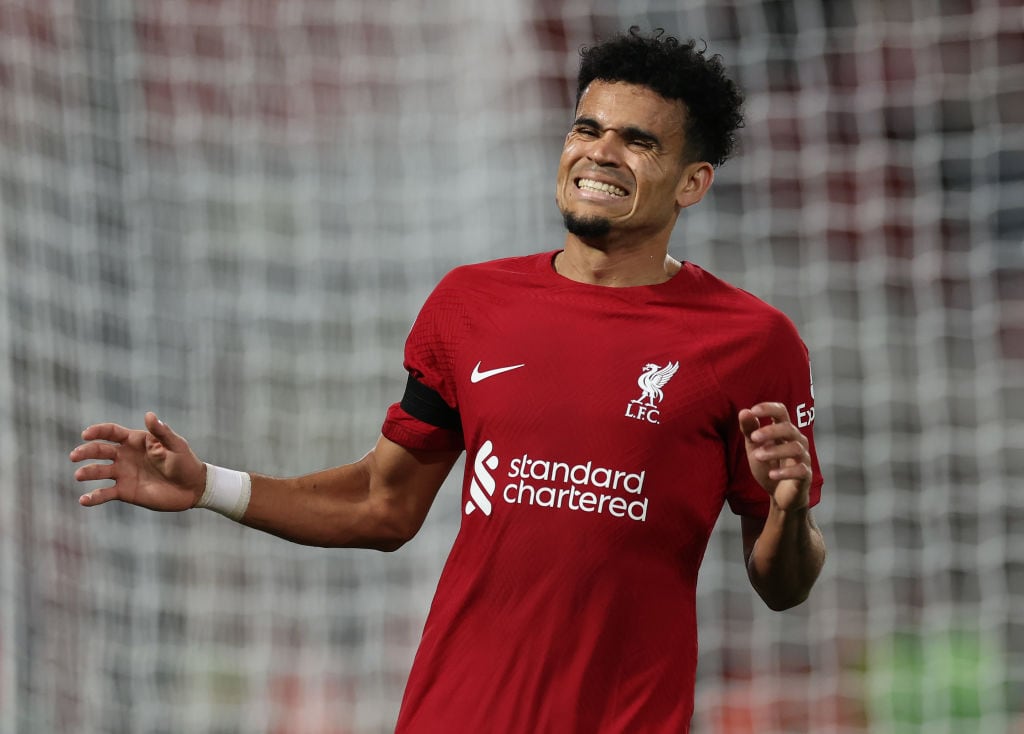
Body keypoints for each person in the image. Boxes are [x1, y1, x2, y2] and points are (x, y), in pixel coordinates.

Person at [71, 28, 825, 733]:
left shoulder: (752, 341)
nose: (600, 154)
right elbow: (383, 503)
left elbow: (784, 582)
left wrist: (787, 510)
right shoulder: (470, 305)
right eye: (587, 128)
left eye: (638, 141)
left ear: (693, 181)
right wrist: (208, 486)